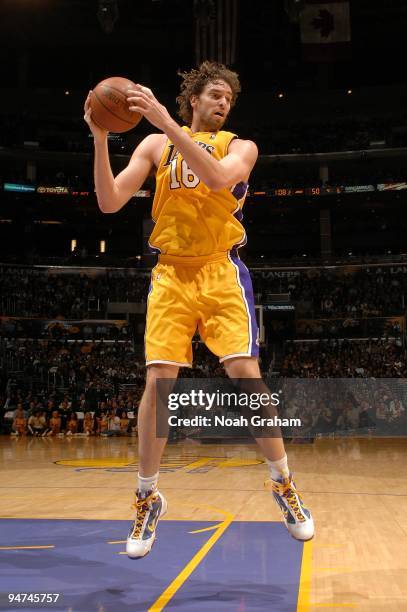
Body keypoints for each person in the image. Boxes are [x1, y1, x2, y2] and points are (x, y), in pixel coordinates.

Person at [84, 61, 314, 559]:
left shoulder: (240, 146)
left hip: (219, 271)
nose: (223, 102)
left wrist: (165, 121)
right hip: (170, 273)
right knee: (158, 380)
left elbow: (215, 180)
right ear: (195, 99)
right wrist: (101, 136)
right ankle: (147, 497)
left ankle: (284, 485)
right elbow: (108, 201)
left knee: (245, 373)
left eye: (228, 97)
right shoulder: (152, 146)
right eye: (214, 94)